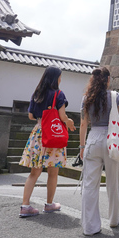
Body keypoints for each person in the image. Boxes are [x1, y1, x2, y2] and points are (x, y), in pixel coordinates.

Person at [18, 66, 75, 218]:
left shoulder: (37, 93)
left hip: (38, 133)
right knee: (53, 171)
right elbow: (62, 116)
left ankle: (25, 205)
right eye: (60, 77)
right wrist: (69, 122)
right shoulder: (59, 94)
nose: (61, 79)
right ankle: (49, 204)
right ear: (56, 78)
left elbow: (30, 115)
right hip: (53, 134)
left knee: (34, 172)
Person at [80, 66, 119, 235]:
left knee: (90, 185)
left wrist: (82, 146)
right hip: (111, 140)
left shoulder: (86, 98)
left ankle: (90, 227)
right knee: (113, 182)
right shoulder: (115, 96)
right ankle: (114, 220)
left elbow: (83, 124)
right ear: (107, 80)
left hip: (92, 140)